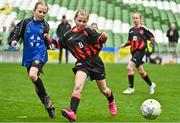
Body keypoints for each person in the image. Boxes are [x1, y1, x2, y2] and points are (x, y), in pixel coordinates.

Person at [51, 9, 117, 122]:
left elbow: (100, 39)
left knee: (104, 90)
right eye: (79, 20)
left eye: (84, 21)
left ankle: (111, 101)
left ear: (87, 21)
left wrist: (104, 37)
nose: (82, 23)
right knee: (77, 86)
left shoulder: (89, 31)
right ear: (75, 19)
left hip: (95, 62)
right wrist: (48, 40)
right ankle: (72, 113)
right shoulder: (68, 35)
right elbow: (58, 43)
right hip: (82, 63)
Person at [8, 1, 55, 118]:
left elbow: (45, 39)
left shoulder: (45, 25)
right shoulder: (25, 22)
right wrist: (13, 40)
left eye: (44, 12)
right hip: (29, 55)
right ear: (34, 10)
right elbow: (16, 32)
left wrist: (50, 44)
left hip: (40, 53)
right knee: (35, 82)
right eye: (40, 11)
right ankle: (49, 107)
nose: (42, 14)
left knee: (33, 75)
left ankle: (46, 99)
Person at [120, 12, 156, 95]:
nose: (135, 20)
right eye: (134, 18)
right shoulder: (131, 30)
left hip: (140, 51)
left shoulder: (143, 28)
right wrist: (125, 44)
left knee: (129, 67)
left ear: (140, 19)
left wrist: (151, 43)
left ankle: (131, 88)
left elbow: (151, 36)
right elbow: (130, 41)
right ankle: (151, 85)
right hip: (133, 52)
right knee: (141, 72)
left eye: (137, 18)